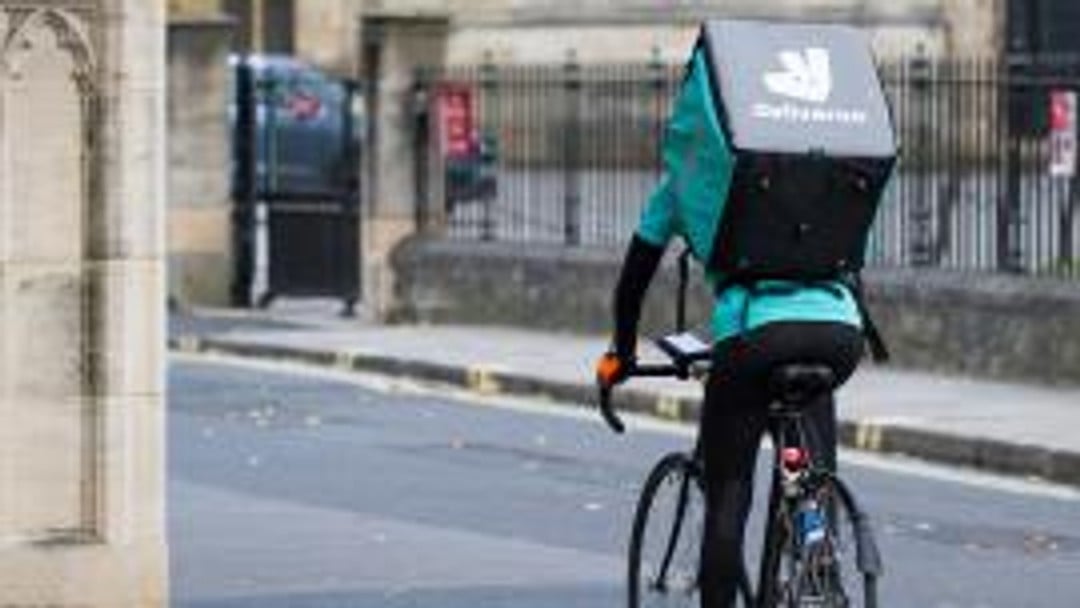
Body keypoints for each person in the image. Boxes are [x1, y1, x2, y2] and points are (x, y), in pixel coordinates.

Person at [594, 44, 870, 607]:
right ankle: (817, 549)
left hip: (755, 335)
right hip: (840, 333)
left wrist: (621, 353)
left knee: (729, 495)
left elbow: (632, 283)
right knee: (808, 467)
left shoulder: (684, 183)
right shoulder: (818, 170)